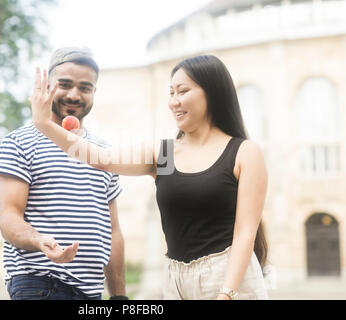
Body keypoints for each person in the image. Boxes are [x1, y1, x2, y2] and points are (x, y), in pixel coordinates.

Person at [31, 54, 270, 300]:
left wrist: (226, 294)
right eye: (171, 93)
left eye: (182, 91)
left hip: (230, 279)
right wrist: (44, 124)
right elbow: (101, 159)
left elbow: (245, 234)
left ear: (212, 92)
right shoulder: (165, 154)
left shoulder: (243, 152)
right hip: (176, 280)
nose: (173, 102)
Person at [0, 47, 127, 300]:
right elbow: (8, 216)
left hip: (90, 292)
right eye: (64, 84)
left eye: (85, 87)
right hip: (41, 284)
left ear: (94, 92)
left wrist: (119, 296)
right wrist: (38, 240)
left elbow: (113, 230)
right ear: (47, 87)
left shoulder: (103, 152)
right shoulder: (19, 142)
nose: (74, 95)